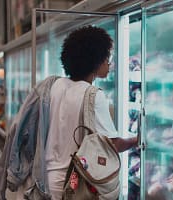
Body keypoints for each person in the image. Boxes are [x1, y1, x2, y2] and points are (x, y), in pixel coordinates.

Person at [45, 25, 138, 200]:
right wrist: (137, 139)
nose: (109, 63)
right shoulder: (93, 95)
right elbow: (113, 145)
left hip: (48, 180)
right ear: (95, 62)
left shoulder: (54, 86)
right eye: (107, 58)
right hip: (76, 185)